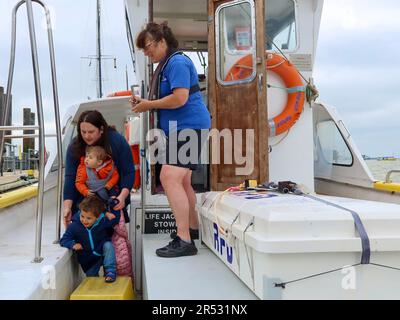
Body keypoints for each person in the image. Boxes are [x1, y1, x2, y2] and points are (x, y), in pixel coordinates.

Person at [132, 22, 211, 258]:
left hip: (189, 126)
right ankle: (193, 231)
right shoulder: (168, 65)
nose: (146, 53)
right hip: (184, 128)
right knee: (183, 181)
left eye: (148, 47)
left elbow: (180, 98)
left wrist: (148, 105)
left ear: (162, 42)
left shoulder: (176, 62)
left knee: (168, 177)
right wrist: (144, 102)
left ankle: (184, 239)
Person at [63, 110, 134, 228]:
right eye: (83, 132)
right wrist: (67, 207)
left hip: (112, 197)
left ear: (101, 129)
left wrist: (122, 197)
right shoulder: (75, 146)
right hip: (85, 200)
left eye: (91, 132)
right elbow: (70, 177)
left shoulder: (117, 141)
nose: (86, 136)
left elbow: (128, 172)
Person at [60, 196, 118, 283]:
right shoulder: (75, 226)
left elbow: (115, 220)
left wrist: (109, 212)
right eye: (82, 216)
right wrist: (73, 244)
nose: (84, 220)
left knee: (108, 245)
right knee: (92, 281)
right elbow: (64, 240)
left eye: (89, 218)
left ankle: (110, 271)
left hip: (101, 252)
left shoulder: (103, 222)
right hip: (88, 260)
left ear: (97, 217)